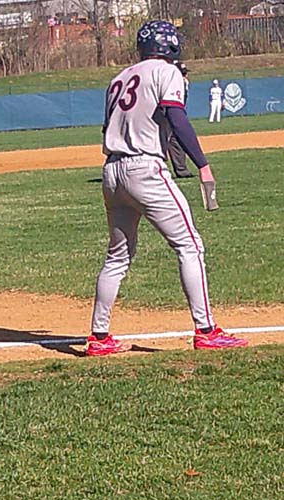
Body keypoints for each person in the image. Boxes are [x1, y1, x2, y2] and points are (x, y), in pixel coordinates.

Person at [86, 20, 248, 356]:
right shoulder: (167, 71)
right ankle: (206, 331)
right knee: (190, 245)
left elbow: (108, 127)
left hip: (112, 170)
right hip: (144, 168)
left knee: (117, 256)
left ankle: (99, 337)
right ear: (169, 46)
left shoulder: (118, 79)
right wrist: (201, 163)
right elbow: (176, 117)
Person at [165, 62, 194, 178]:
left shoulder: (183, 84)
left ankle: (181, 170)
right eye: (182, 73)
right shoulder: (171, 84)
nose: (185, 76)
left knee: (176, 141)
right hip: (165, 116)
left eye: (185, 73)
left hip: (174, 116)